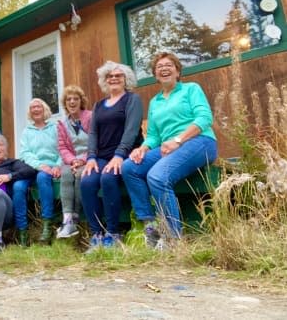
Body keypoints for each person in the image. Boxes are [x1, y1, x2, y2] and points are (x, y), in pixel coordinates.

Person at [122, 52, 217, 248]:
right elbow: (155, 136)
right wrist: (143, 148)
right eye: (159, 67)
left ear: (177, 71)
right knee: (130, 167)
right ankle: (151, 227)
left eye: (168, 65)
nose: (164, 68)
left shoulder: (191, 89)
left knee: (157, 176)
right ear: (155, 75)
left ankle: (174, 238)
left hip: (199, 141)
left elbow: (204, 118)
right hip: (169, 147)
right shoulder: (155, 102)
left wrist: (178, 139)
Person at [80, 61, 143, 251]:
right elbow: (93, 133)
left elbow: (132, 130)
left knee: (108, 178)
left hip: (125, 153)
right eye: (110, 76)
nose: (114, 79)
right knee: (87, 182)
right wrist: (90, 157)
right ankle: (96, 234)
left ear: (126, 79)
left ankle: (113, 233)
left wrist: (119, 155)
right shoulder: (99, 105)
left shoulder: (132, 99)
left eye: (118, 76)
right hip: (101, 155)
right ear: (105, 81)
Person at [12, 98, 61, 245]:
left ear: (44, 109)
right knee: (18, 187)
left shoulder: (55, 128)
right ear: (30, 112)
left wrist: (58, 165)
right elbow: (24, 153)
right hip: (31, 168)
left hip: (51, 168)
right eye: (32, 107)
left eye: (38, 106)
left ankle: (47, 226)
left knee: (42, 178)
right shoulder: (27, 131)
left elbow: (63, 149)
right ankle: (23, 232)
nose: (36, 109)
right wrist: (39, 165)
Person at [55, 85, 92, 239]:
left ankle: (75, 218)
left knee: (79, 176)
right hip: (71, 160)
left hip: (89, 158)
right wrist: (73, 160)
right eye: (68, 99)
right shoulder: (62, 123)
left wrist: (82, 160)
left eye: (75, 99)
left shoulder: (90, 117)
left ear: (81, 101)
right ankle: (67, 219)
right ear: (65, 103)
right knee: (65, 175)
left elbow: (95, 142)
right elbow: (62, 147)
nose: (72, 102)